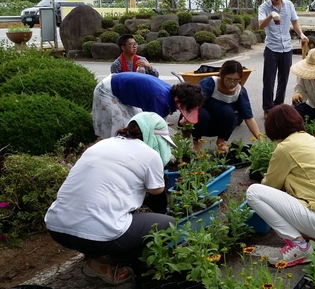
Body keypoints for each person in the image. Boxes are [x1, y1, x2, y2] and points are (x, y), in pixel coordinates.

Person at [45, 112, 177, 285]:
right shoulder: (149, 154)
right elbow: (157, 196)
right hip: (95, 235)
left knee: (104, 217)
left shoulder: (101, 145)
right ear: (154, 137)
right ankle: (109, 262)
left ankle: (94, 252)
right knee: (168, 224)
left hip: (56, 228)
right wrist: (161, 216)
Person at [246, 104, 315, 267]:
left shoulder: (285, 147)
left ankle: (299, 245)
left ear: (273, 129)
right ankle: (313, 238)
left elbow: (270, 185)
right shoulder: (313, 140)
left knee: (254, 192)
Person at [92, 72, 204, 139]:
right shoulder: (159, 98)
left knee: (132, 123)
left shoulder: (170, 94)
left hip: (122, 90)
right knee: (119, 127)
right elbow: (152, 128)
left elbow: (157, 120)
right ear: (180, 100)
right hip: (108, 90)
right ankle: (111, 155)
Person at [258, 0, 309, 118]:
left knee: (283, 79)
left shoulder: (289, 5)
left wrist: (301, 34)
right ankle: (268, 109)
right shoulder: (263, 8)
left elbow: (295, 22)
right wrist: (270, 16)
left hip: (287, 48)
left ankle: (278, 106)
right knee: (268, 80)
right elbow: (260, 25)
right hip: (271, 48)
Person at [191, 60, 262, 152]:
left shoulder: (240, 91)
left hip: (217, 126)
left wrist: (261, 141)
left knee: (228, 112)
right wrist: (184, 122)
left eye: (236, 80)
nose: (232, 83)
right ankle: (196, 143)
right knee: (201, 113)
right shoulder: (210, 83)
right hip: (200, 123)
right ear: (222, 75)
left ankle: (221, 141)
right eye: (228, 79)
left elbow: (248, 117)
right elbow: (193, 103)